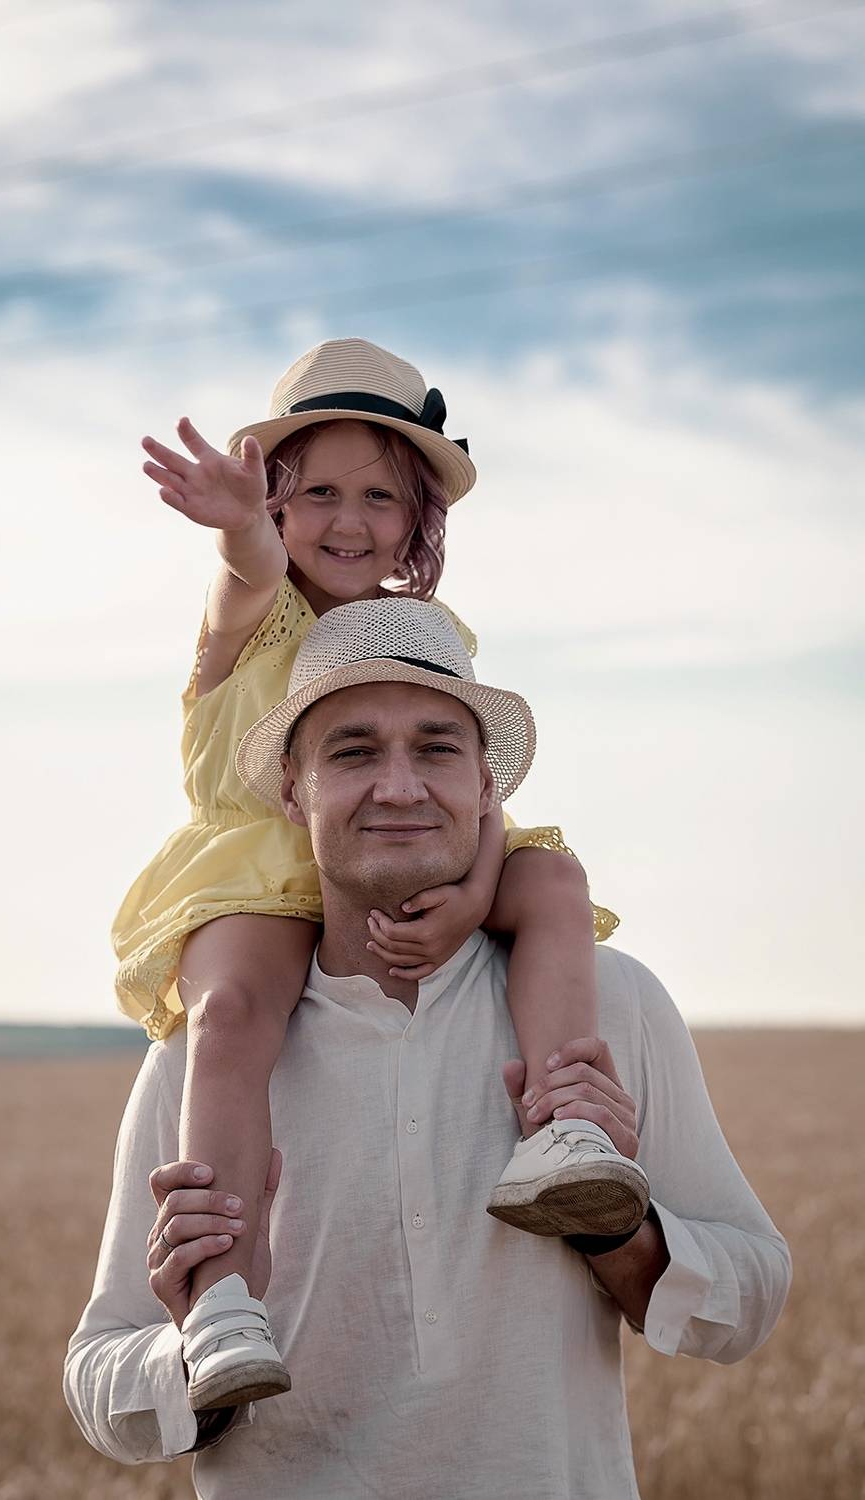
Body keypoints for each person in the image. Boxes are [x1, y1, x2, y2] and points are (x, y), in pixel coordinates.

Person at [64, 598, 791, 1500]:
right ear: (293, 791)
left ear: (486, 787)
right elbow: (97, 1374)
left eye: (437, 748)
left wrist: (616, 1231)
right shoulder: (204, 1052)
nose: (400, 787)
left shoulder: (614, 1003)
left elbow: (751, 1297)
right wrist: (192, 1347)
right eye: (354, 752)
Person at [110, 338, 647, 1409]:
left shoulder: (423, 631)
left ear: (417, 520)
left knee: (554, 884)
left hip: (403, 845)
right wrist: (239, 528)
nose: (348, 521)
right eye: (316, 493)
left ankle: (565, 1131)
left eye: (378, 496)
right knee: (231, 1015)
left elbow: (474, 781)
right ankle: (222, 1295)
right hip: (264, 871)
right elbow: (250, 566)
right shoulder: (253, 604)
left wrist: (473, 892)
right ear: (273, 496)